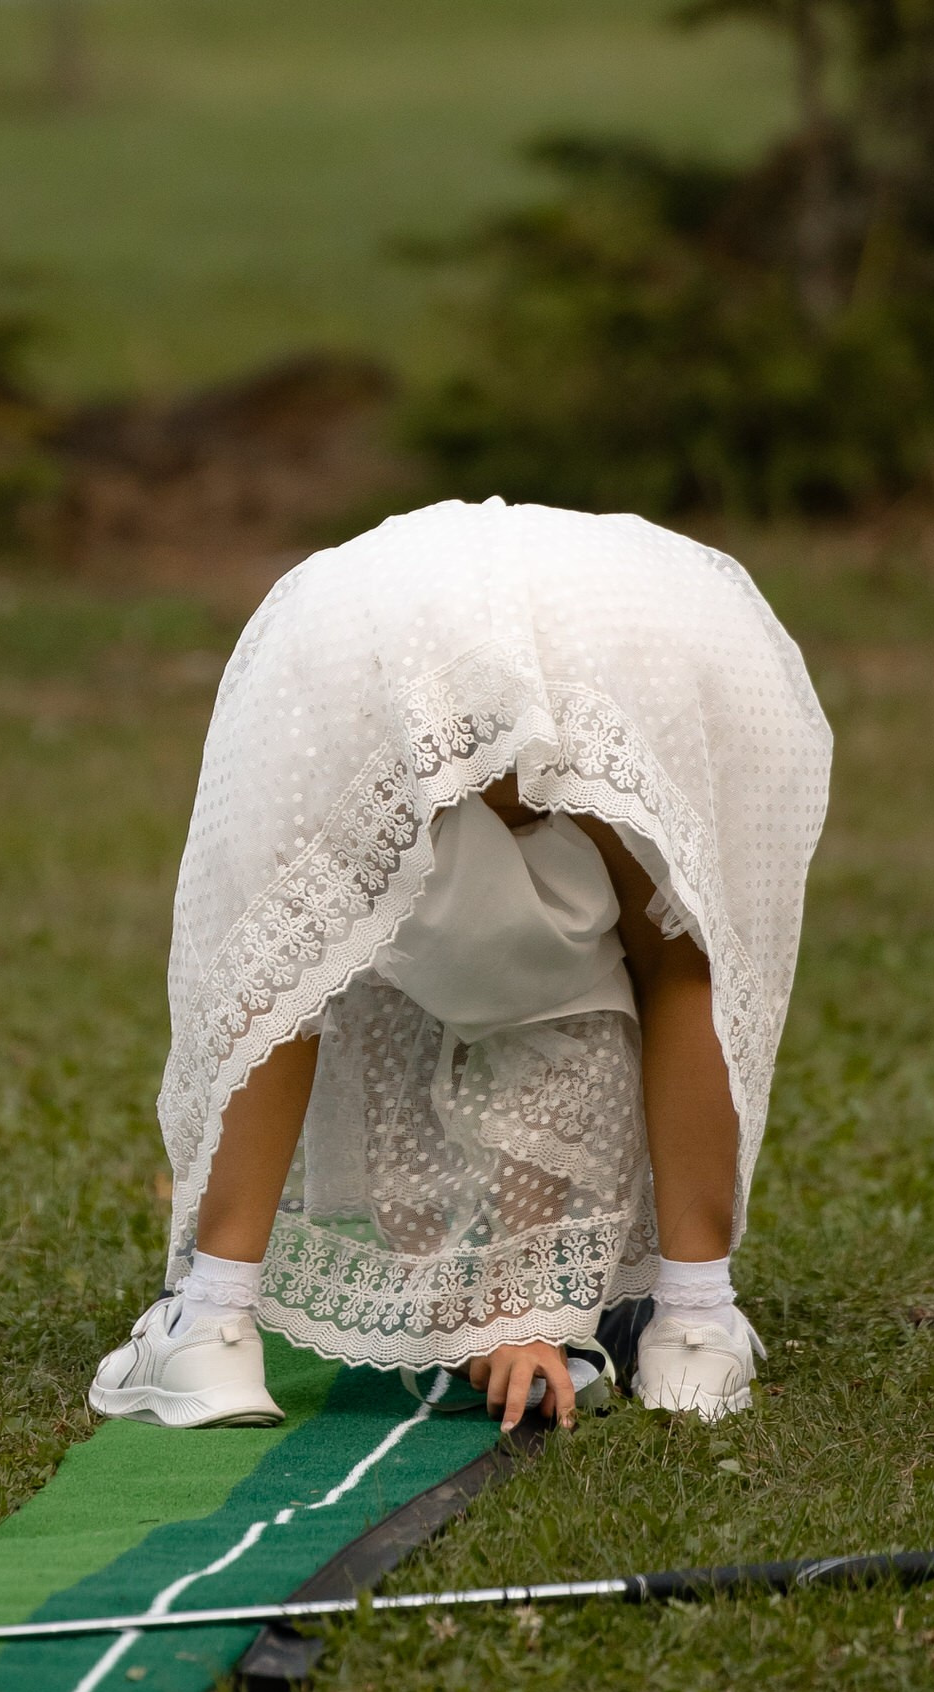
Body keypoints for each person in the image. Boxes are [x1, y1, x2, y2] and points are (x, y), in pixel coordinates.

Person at [90, 499, 831, 1433]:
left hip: (380, 632)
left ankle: (211, 1328)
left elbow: (411, 1024)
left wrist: (499, 1311)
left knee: (295, 947)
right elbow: (547, 1015)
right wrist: (501, 1311)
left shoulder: (433, 848)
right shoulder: (569, 888)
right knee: (678, 946)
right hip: (639, 633)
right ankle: (694, 1330)